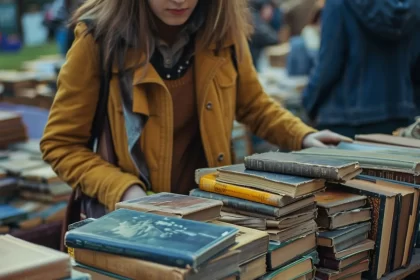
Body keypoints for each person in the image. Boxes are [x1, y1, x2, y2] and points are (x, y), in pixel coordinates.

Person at [40, 0, 350, 215]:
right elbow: (61, 145)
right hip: (133, 225)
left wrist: (304, 136)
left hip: (215, 215)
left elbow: (254, 104)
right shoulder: (98, 39)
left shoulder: (223, 28)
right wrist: (124, 190)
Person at [302, 0, 420, 138]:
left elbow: (327, 67)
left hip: (344, 121)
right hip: (400, 119)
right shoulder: (413, 6)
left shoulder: (339, 3)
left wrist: (308, 103)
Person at [248, 0, 283, 70]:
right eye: (271, 9)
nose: (272, 13)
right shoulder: (255, 20)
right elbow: (272, 38)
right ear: (265, 7)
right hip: (253, 64)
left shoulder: (255, 17)